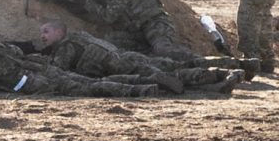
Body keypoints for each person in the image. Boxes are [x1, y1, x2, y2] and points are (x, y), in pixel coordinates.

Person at [30, 22, 240, 96]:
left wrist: (36, 61)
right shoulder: (80, 36)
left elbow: (59, 73)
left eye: (46, 32)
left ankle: (219, 76)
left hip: (118, 66)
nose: (43, 36)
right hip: (126, 56)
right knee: (176, 67)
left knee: (174, 74)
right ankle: (228, 71)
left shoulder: (66, 46)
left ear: (59, 31)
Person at [0, 29, 160, 97]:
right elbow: (17, 51)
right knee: (86, 81)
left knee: (85, 90)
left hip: (30, 83)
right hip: (39, 67)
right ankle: (140, 80)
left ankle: (137, 90)